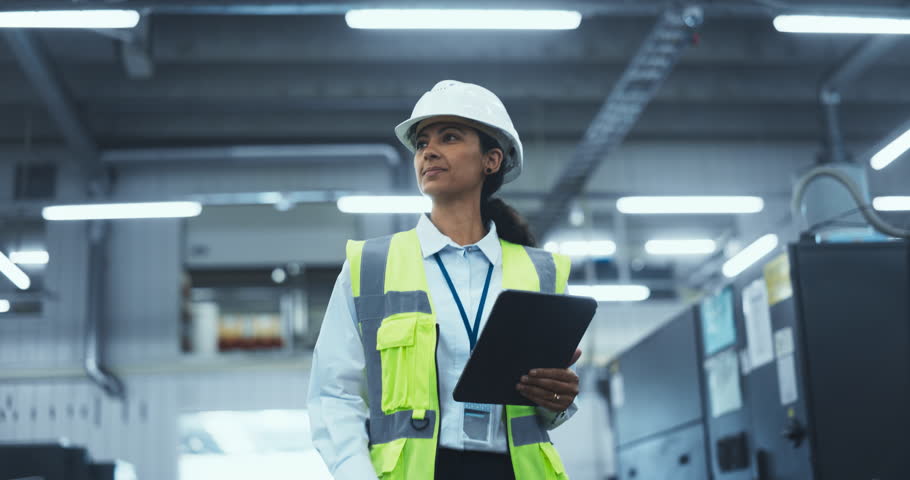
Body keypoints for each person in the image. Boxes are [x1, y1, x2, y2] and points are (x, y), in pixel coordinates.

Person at [308, 80, 581, 480]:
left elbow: (555, 406)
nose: (428, 151)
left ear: (491, 160)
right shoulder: (370, 267)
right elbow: (334, 394)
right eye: (421, 143)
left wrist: (557, 398)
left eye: (449, 137)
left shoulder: (542, 273)